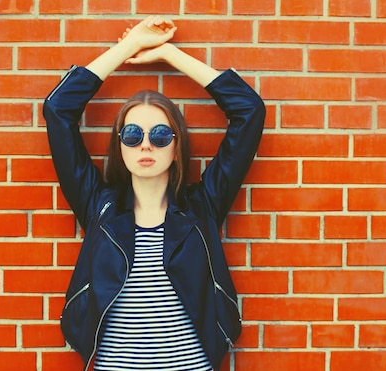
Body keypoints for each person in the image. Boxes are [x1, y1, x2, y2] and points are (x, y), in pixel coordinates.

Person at [43, 15, 266, 371]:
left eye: (161, 135)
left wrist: (168, 54)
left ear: (176, 148)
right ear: (121, 147)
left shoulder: (203, 207)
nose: (146, 145)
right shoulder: (99, 207)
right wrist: (128, 47)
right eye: (132, 135)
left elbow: (249, 110)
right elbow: (58, 110)